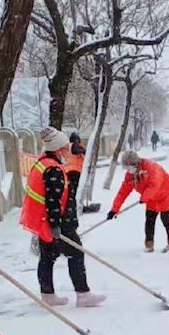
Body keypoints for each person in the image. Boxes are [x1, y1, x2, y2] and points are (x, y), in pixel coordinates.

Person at [20, 127, 106, 308]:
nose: (68, 151)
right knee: (76, 254)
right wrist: (55, 225)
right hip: (58, 222)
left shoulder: (42, 163)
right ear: (58, 149)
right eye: (66, 148)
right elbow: (53, 200)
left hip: (45, 221)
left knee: (48, 256)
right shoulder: (54, 170)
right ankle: (83, 294)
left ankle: (48, 294)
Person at [107, 149, 169, 252]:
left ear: (134, 164)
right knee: (149, 220)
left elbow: (155, 184)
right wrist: (114, 210)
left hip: (166, 194)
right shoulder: (130, 176)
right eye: (125, 168)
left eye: (128, 167)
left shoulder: (151, 167)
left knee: (166, 219)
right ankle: (149, 246)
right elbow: (122, 193)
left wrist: (144, 197)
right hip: (151, 199)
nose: (127, 170)